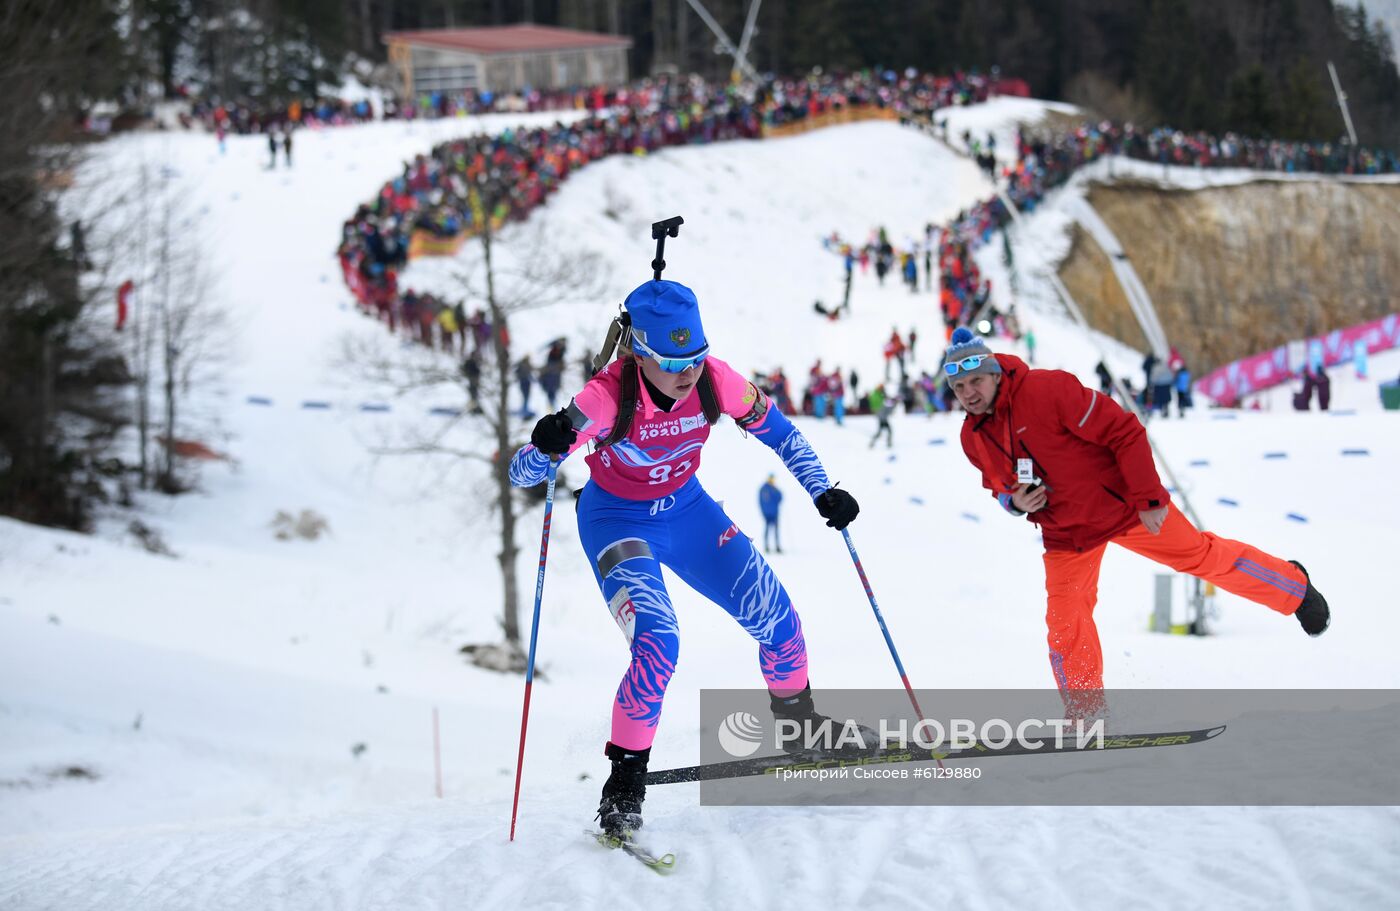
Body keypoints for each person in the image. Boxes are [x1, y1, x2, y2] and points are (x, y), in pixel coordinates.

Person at [509, 279, 861, 836]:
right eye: (673, 361)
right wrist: (544, 444)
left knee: (780, 621)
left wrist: (822, 489)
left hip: (690, 512)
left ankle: (801, 733)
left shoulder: (717, 381)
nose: (688, 371)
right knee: (658, 643)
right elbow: (524, 475)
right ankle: (623, 785)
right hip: (617, 521)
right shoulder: (604, 398)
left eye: (695, 356)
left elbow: (782, 434)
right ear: (641, 354)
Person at [943, 327, 1330, 718]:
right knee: (1065, 620)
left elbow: (1123, 430)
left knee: (1201, 557)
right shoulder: (972, 436)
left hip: (1125, 508)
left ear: (994, 373)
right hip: (1066, 533)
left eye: (975, 380)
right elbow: (998, 485)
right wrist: (1014, 501)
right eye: (959, 387)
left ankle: (1294, 588)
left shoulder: (1046, 390)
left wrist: (1148, 496)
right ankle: (1086, 713)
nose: (969, 392)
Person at [759, 474, 783, 554]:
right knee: (767, 530)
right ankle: (766, 546)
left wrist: (776, 490)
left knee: (776, 530)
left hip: (775, 513)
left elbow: (780, 497)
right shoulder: (764, 489)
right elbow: (761, 502)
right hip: (767, 513)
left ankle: (777, 546)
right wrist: (763, 512)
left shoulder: (774, 489)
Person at [868, 384, 894, 448]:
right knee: (888, 430)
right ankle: (888, 443)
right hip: (882, 416)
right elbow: (887, 405)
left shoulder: (877, 395)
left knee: (881, 431)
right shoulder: (878, 395)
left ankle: (873, 442)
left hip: (881, 416)